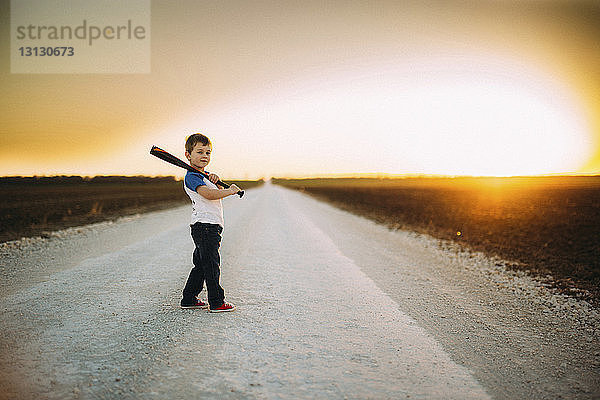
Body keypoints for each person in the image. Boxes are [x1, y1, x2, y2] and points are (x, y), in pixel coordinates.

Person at [180, 133, 240, 313]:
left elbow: (214, 191)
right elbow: (208, 194)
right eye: (199, 152)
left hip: (209, 225)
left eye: (208, 152)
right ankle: (216, 302)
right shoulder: (192, 177)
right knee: (211, 264)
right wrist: (229, 191)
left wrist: (216, 181)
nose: (205, 156)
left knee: (201, 264)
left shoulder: (202, 175)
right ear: (188, 155)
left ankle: (189, 298)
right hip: (205, 226)